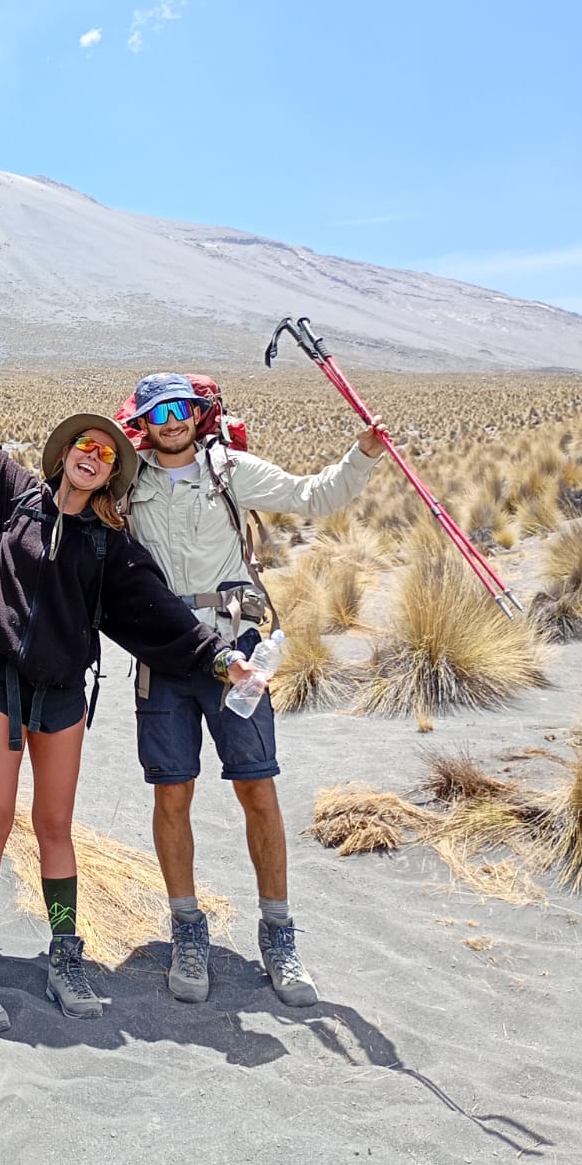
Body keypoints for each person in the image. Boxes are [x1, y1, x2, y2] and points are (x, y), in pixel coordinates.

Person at [0, 336, 252, 1034]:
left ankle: (66, 957)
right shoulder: (15, 502)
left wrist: (221, 660)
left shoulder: (110, 545)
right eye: (83, 445)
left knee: (55, 826)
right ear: (64, 453)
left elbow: (157, 615)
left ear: (111, 473)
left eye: (105, 453)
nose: (92, 455)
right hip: (1, 685)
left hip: (64, 696)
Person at [124, 372, 385, 1008]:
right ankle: (188, 931)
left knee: (256, 786)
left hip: (237, 652)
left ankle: (278, 933)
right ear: (143, 421)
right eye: (159, 412)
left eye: (182, 408)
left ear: (199, 413)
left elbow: (314, 495)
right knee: (172, 791)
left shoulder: (230, 470)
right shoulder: (126, 481)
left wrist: (363, 454)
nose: (172, 421)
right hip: (165, 653)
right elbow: (62, 506)